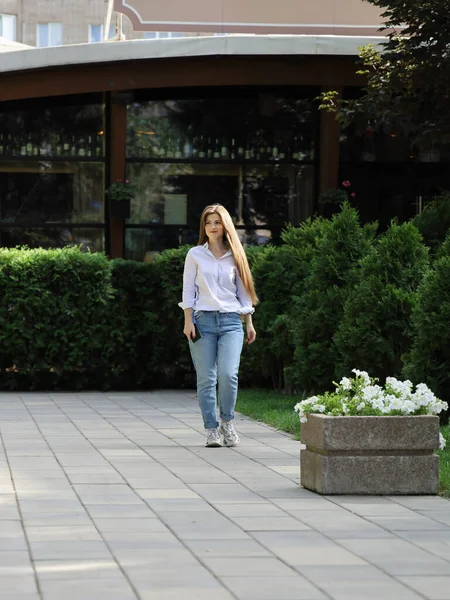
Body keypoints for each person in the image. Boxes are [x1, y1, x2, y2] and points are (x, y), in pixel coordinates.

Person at [179, 204, 258, 447]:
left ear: (225, 226)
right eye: (208, 223)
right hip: (202, 321)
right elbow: (188, 289)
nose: (213, 227)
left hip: (232, 321)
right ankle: (211, 429)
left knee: (228, 374)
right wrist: (187, 321)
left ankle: (227, 422)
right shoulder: (195, 254)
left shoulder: (235, 255)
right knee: (206, 378)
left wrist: (250, 323)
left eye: (217, 222)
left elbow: (244, 293)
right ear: (204, 227)